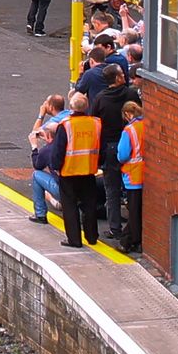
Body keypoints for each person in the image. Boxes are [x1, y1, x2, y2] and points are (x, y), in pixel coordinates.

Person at [93, 65, 138, 240]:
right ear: (118, 78)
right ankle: (134, 227)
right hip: (132, 145)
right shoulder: (131, 95)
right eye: (121, 73)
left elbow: (95, 123)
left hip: (110, 148)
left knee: (111, 190)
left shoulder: (100, 99)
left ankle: (114, 227)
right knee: (132, 189)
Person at [58, 92, 106, 248]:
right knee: (89, 205)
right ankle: (92, 237)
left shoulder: (66, 125)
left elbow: (59, 150)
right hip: (89, 170)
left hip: (69, 171)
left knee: (70, 206)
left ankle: (74, 239)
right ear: (87, 107)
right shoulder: (96, 124)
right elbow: (102, 147)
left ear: (71, 107)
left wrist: (56, 167)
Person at [110, 101, 146, 254]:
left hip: (132, 175)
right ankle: (132, 240)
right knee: (139, 211)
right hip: (145, 173)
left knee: (134, 212)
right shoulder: (145, 125)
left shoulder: (129, 130)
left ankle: (130, 241)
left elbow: (123, 155)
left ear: (127, 114)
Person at [27, 93, 69, 222]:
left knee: (37, 175)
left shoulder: (48, 148)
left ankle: (40, 213)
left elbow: (34, 133)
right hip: (80, 183)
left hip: (64, 187)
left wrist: (41, 114)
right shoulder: (70, 115)